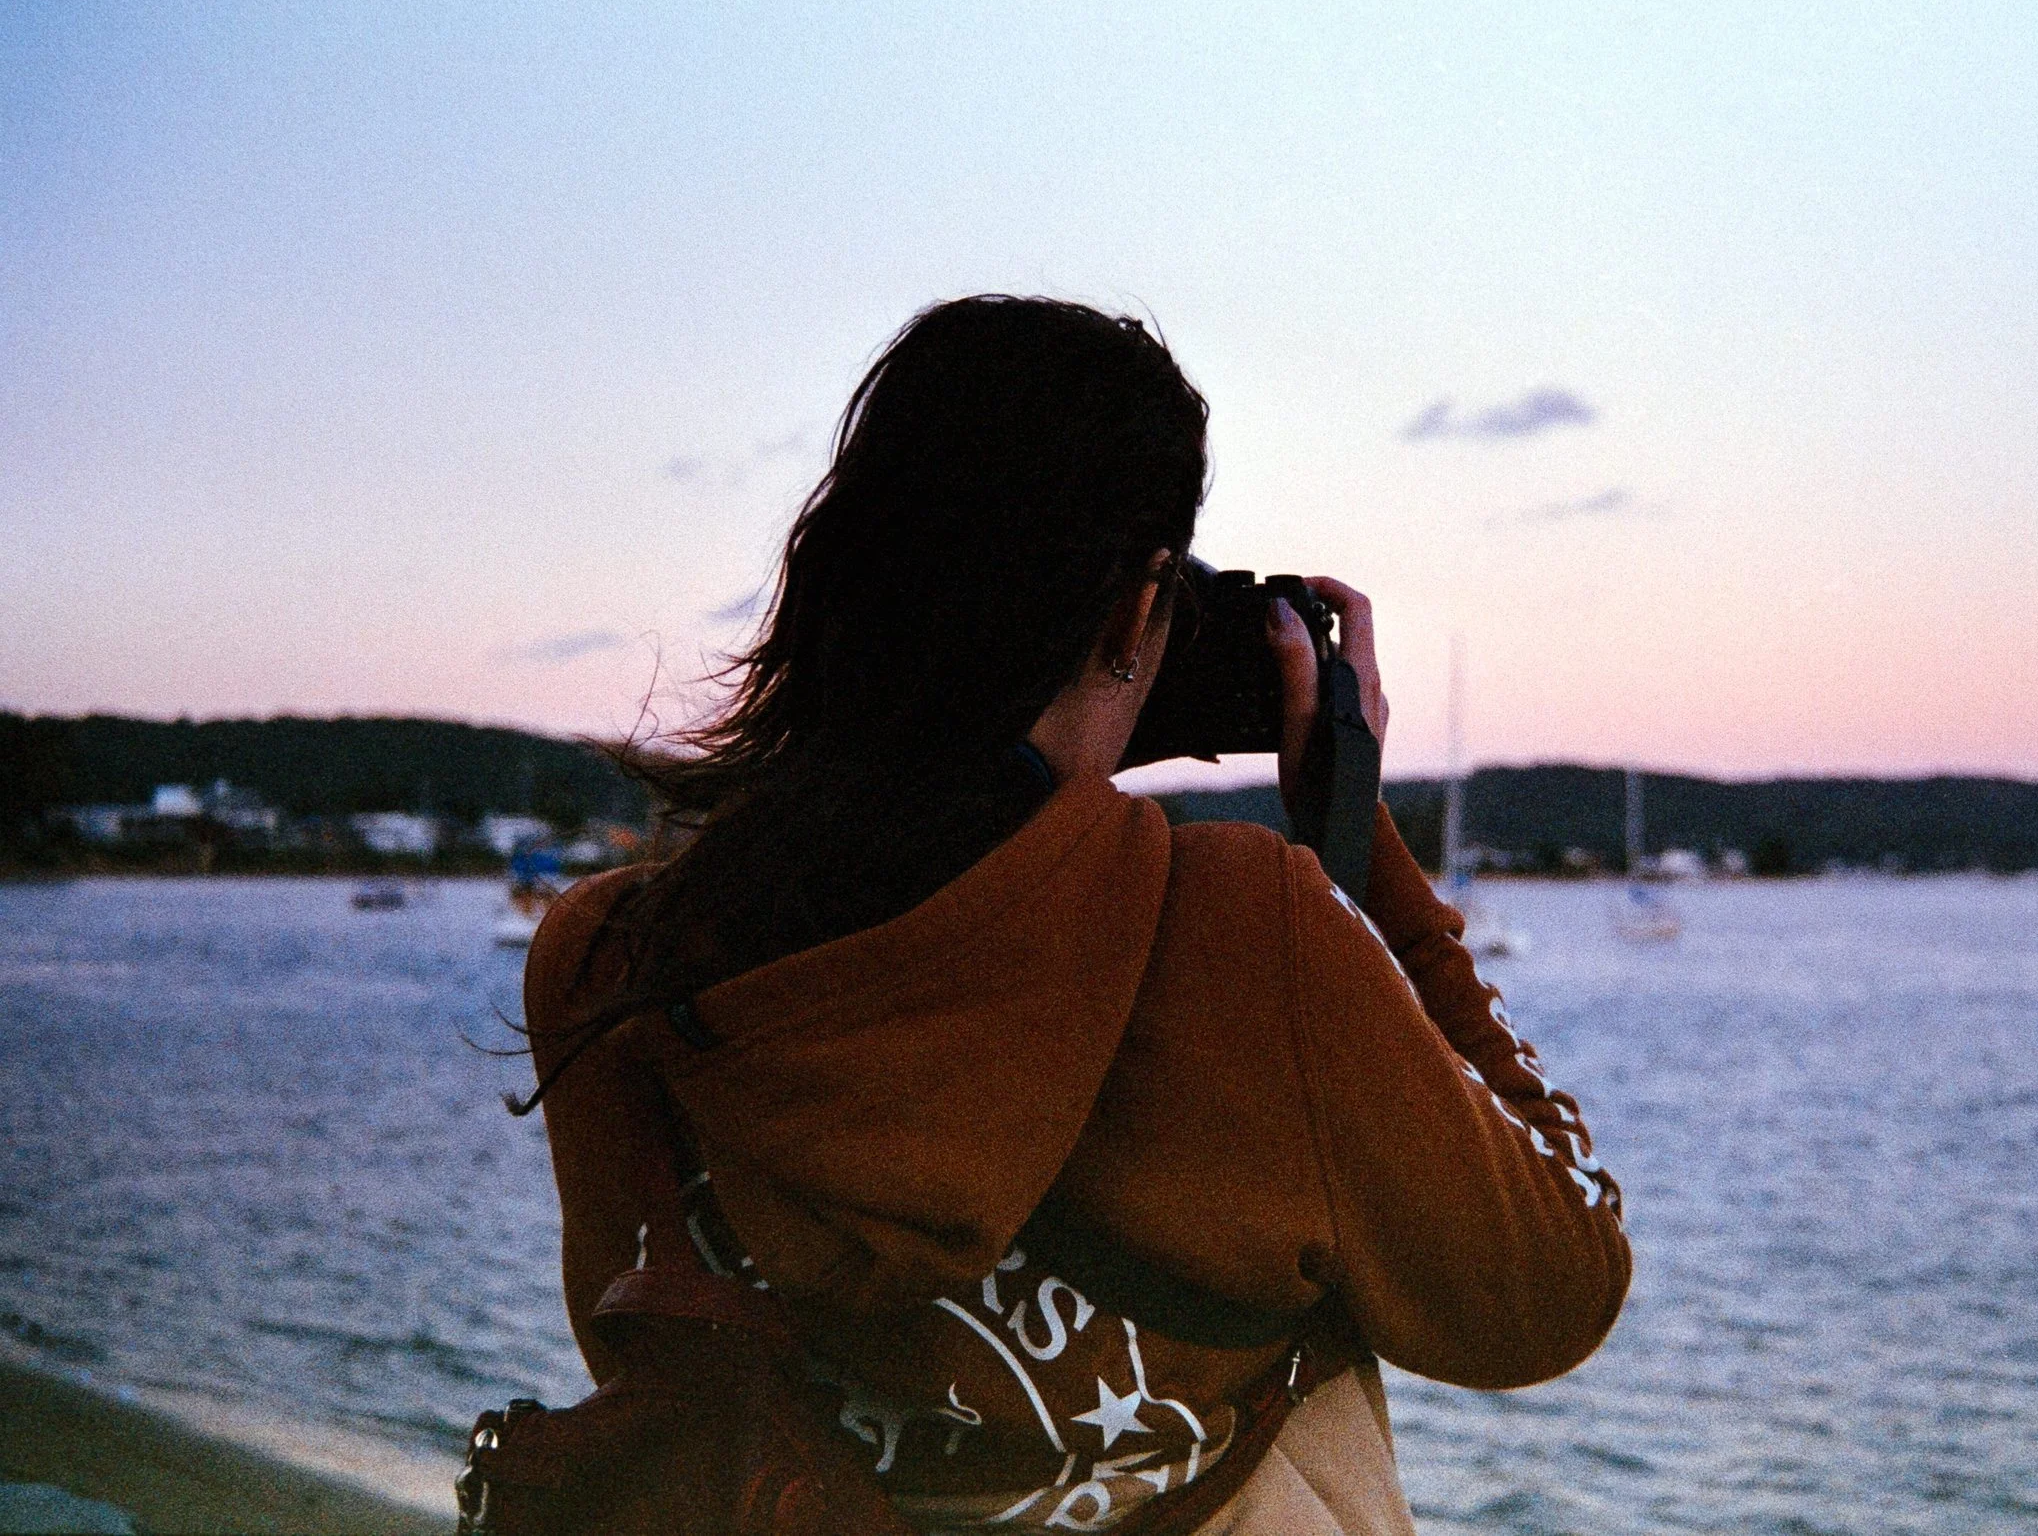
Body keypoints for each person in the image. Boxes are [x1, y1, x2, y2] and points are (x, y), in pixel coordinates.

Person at [520, 296, 1631, 1535]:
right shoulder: (1244, 928)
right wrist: (1365, 855)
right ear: (1127, 612)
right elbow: (1557, 1284)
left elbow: (651, 1358)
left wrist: (1061, 760)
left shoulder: (608, 958)